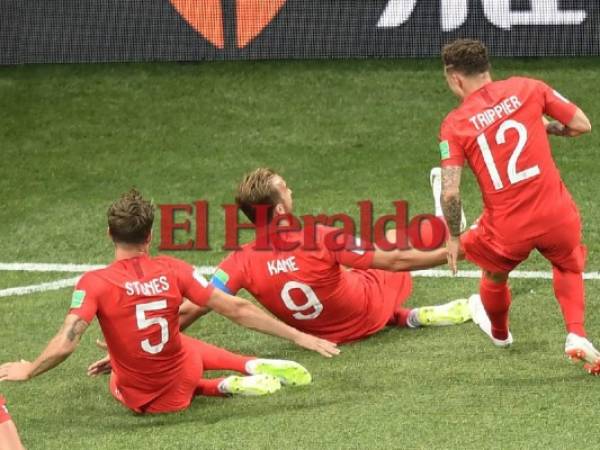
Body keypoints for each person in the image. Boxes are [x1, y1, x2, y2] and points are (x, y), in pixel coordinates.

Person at [0, 189, 339, 414]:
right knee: (180, 342)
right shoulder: (177, 270)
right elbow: (237, 309)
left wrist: (29, 370)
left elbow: (65, 344)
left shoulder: (95, 283)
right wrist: (300, 337)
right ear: (149, 235)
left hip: (152, 399)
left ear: (109, 235)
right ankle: (247, 363)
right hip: (184, 368)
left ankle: (221, 385)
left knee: (118, 379)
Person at [438, 38, 599, 374]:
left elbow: (451, 194)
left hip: (507, 227)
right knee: (569, 266)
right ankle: (576, 334)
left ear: (455, 78)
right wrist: (547, 128)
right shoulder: (528, 88)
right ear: (486, 69)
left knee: (494, 275)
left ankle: (500, 335)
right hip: (556, 213)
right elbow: (582, 124)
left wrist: (453, 235)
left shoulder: (455, 124)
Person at [179, 168, 473, 344]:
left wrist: (154, 339)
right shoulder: (320, 236)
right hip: (368, 312)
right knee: (390, 241)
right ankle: (446, 224)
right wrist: (459, 251)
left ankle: (408, 317)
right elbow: (396, 261)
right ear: (279, 210)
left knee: (342, 276)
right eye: (284, 188)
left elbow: (196, 306)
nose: (290, 188)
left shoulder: (238, 263)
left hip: (326, 335)